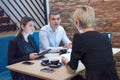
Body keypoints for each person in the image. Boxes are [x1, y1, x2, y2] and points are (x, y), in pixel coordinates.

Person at [61, 5, 119, 80]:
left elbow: (72, 69)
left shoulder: (79, 38)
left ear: (77, 22)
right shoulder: (105, 38)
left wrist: (66, 62)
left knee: (74, 78)